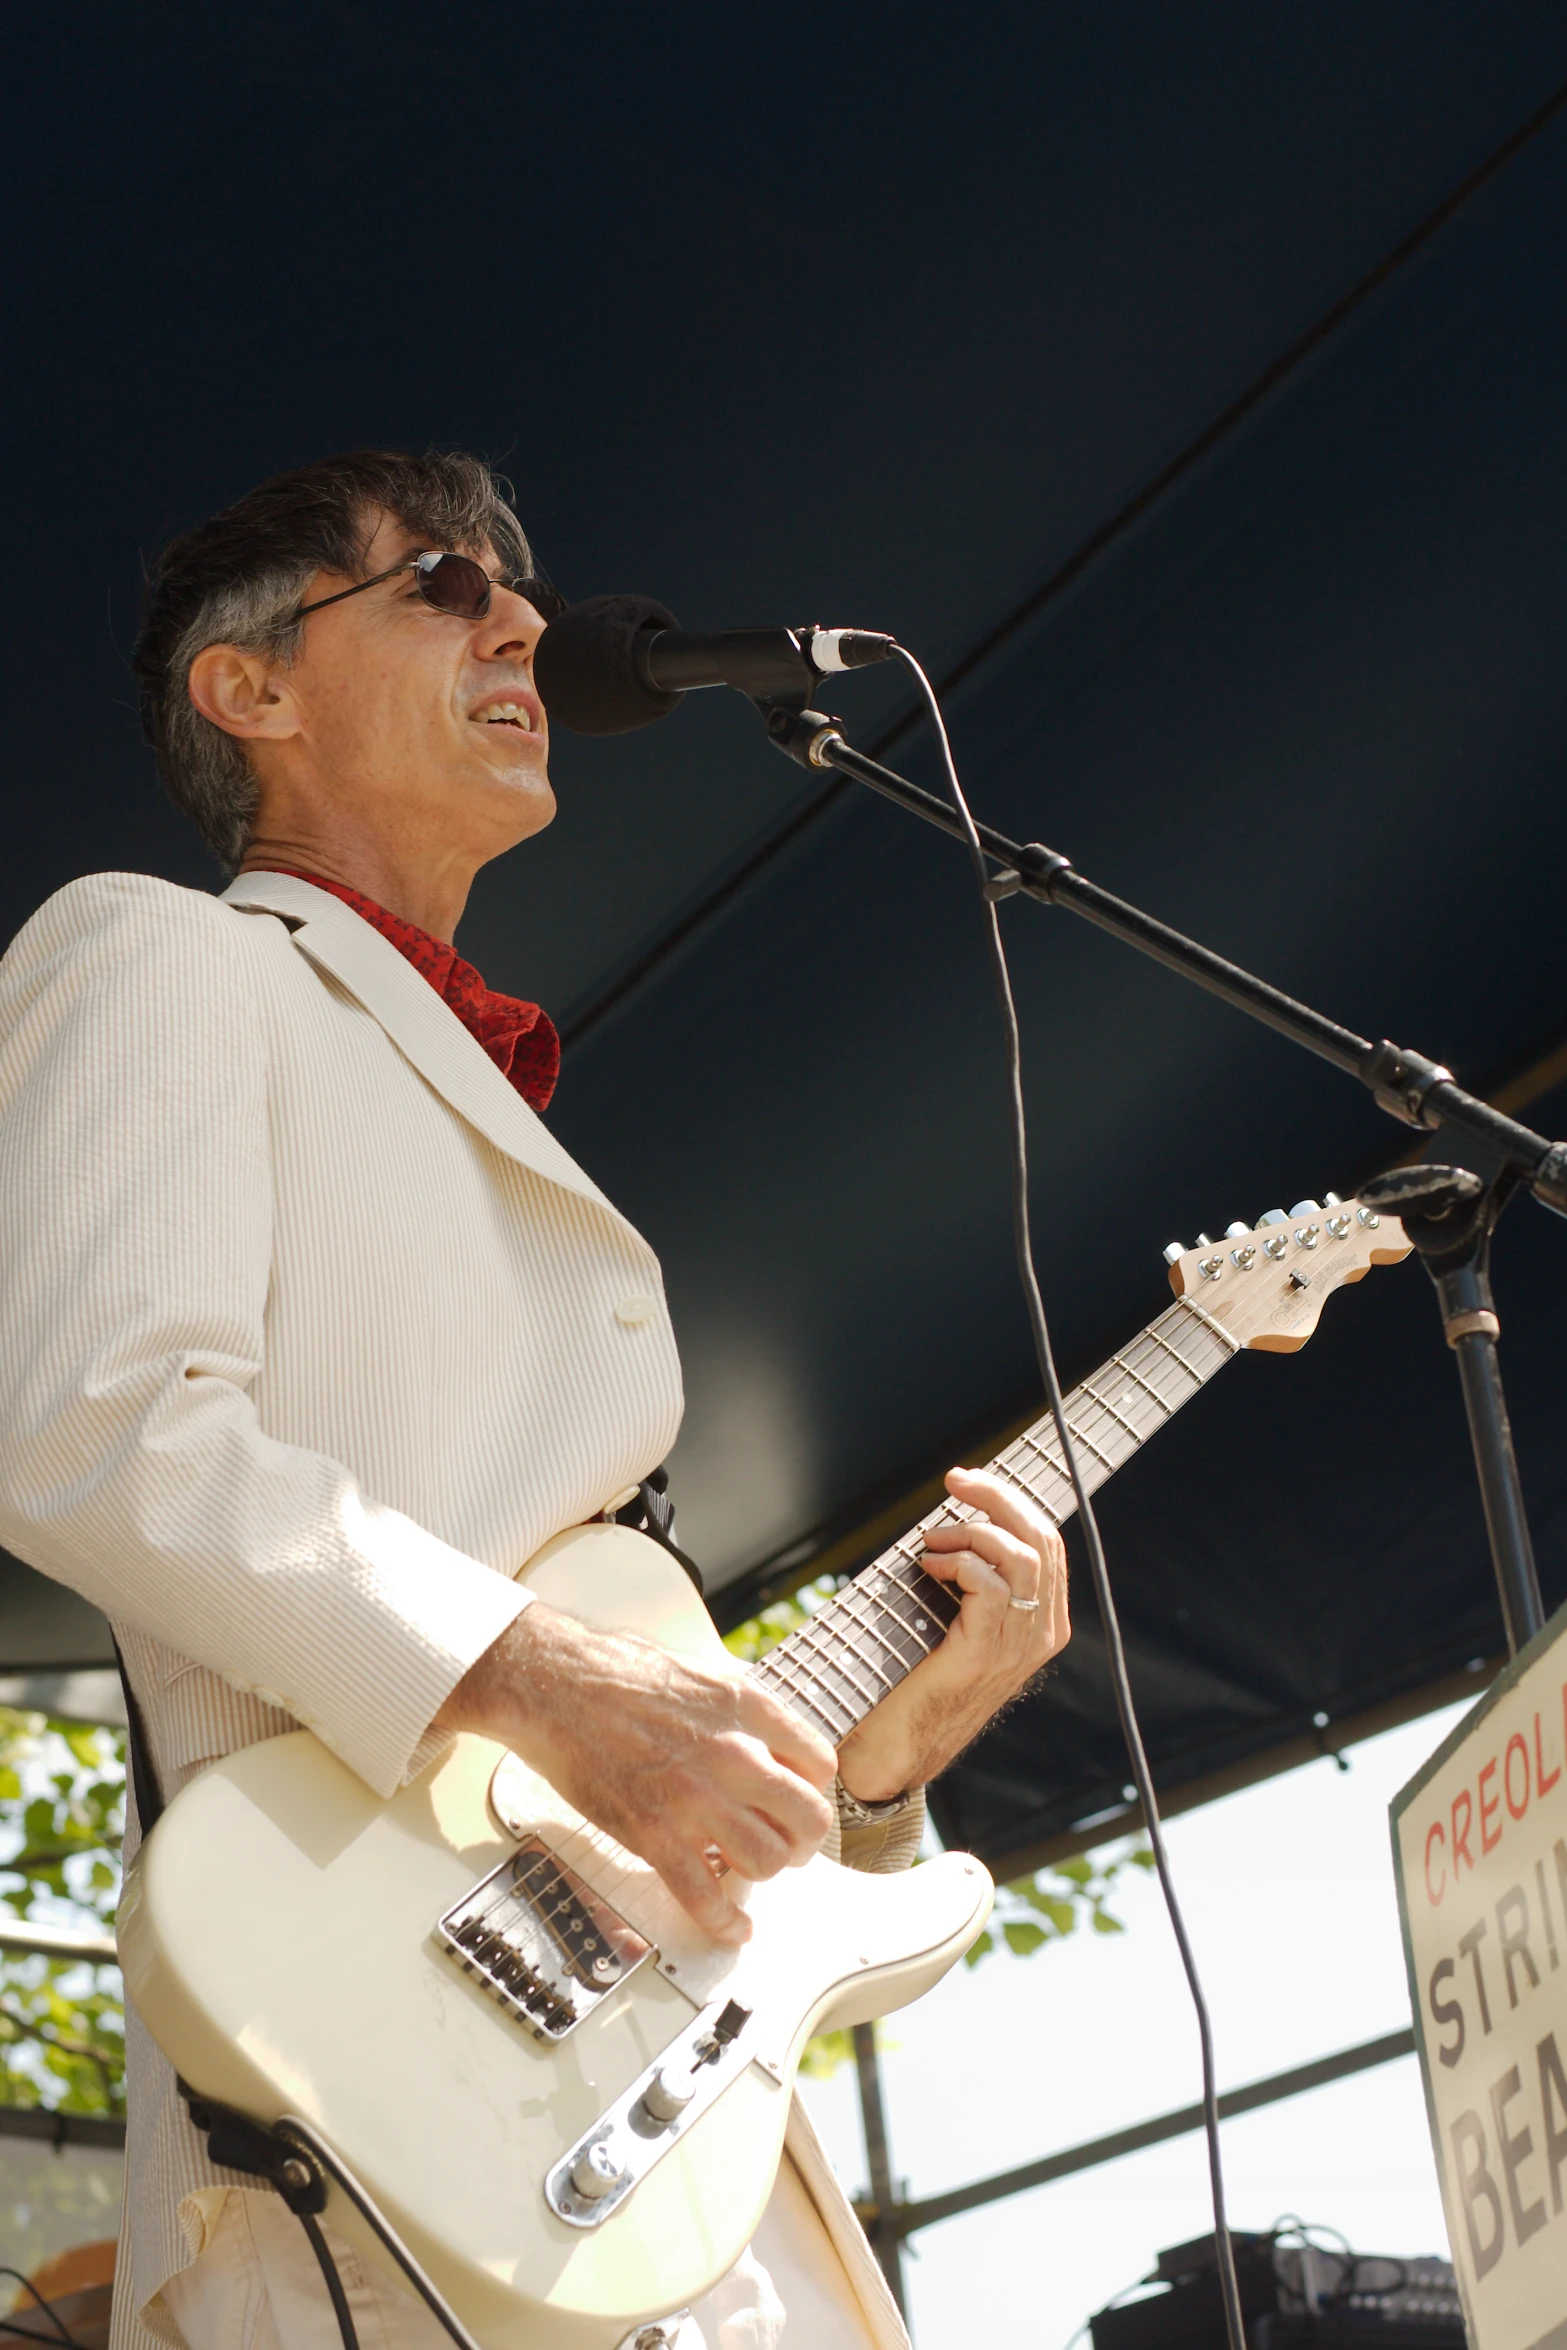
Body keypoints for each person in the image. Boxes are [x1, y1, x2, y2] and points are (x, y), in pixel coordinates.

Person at [0, 450, 1069, 2350]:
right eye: (439, 585)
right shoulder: (155, 952)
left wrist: (875, 1777)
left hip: (677, 2179)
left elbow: (710, 1876)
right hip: (360, 2161)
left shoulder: (452, 1076)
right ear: (248, 693)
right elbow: (87, 1423)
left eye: (518, 584)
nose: (526, 622)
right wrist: (548, 1677)